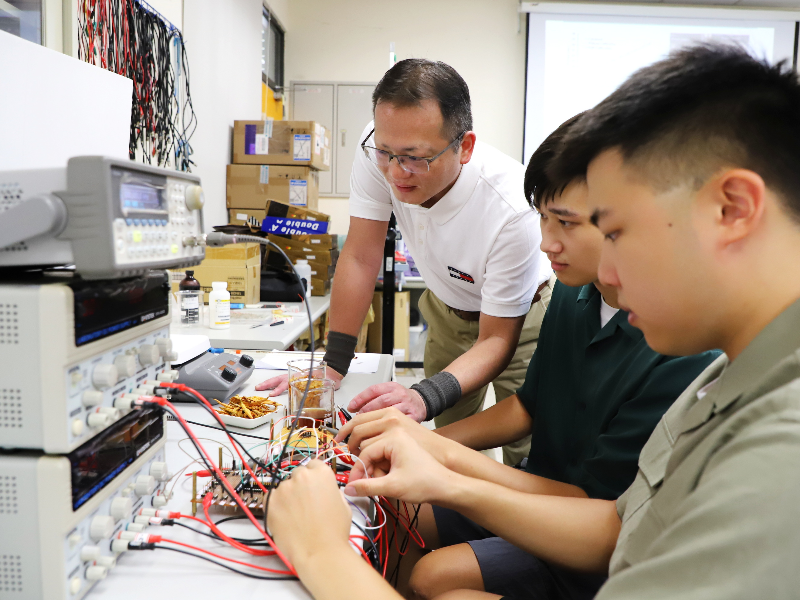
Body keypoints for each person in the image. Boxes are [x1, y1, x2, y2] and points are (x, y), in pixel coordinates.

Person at [267, 44, 800, 600]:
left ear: (732, 209)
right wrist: (441, 457)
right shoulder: (725, 379)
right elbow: (621, 522)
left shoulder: (776, 445)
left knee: (436, 578)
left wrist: (323, 552)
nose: (605, 271)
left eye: (614, 231)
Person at [330, 114, 719, 600]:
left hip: (587, 533)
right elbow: (530, 405)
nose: (545, 243)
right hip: (544, 491)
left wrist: (441, 455)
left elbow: (599, 514)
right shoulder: (573, 293)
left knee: (437, 577)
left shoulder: (680, 346)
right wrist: (421, 440)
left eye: (566, 224)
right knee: (393, 509)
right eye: (543, 217)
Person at [258, 59, 551, 466]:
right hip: (449, 310)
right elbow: (361, 256)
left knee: (530, 453)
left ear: (464, 147)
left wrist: (422, 394)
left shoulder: (511, 209)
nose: (396, 172)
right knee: (445, 444)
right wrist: (332, 365)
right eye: (386, 154)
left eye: (414, 158)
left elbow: (497, 340)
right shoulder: (383, 145)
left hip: (522, 322)